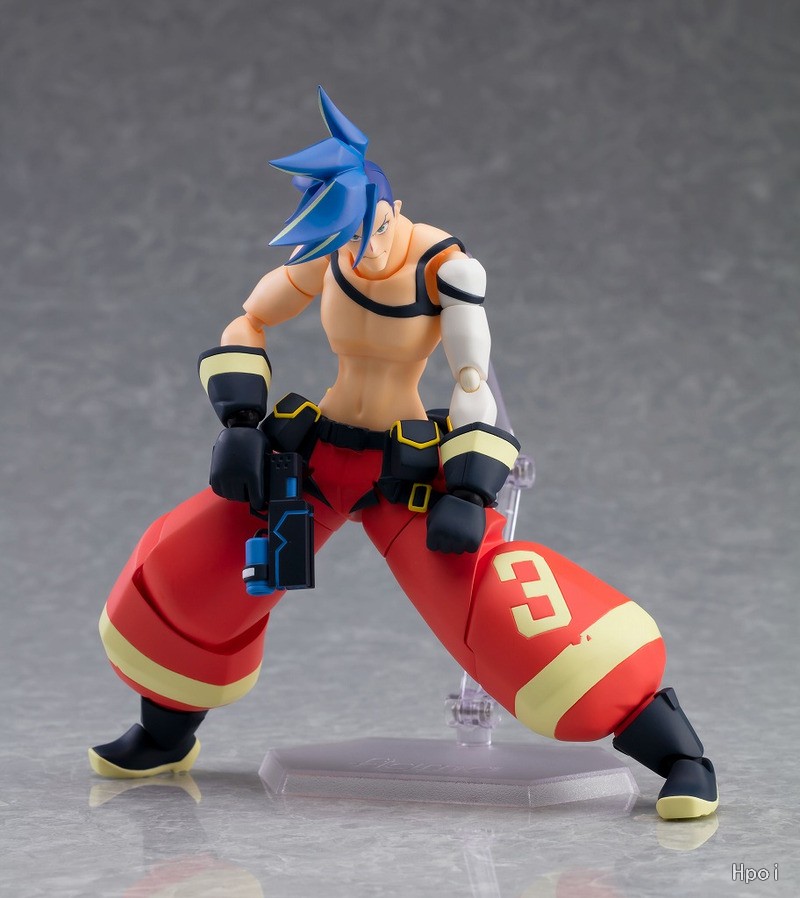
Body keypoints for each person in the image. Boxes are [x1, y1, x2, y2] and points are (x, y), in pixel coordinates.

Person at [90, 88, 718, 820]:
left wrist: (472, 488)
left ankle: (680, 757)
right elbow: (251, 317)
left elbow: (472, 380)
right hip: (315, 457)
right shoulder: (330, 251)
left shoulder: (446, 269)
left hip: (404, 473)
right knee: (194, 572)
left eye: (369, 232)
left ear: (389, 208)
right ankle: (165, 736)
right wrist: (238, 418)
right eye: (344, 241)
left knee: (518, 614)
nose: (361, 251)